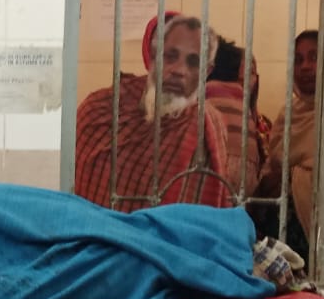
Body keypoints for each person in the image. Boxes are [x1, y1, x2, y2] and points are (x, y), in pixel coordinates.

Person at [74, 13, 233, 212]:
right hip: (94, 230)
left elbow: (201, 213)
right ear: (153, 56)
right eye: (170, 56)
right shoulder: (98, 110)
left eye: (193, 62)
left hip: (167, 233)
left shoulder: (207, 126)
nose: (179, 70)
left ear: (206, 71)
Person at [255, 30, 320, 257]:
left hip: (318, 230)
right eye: (298, 60)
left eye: (314, 57)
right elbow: (272, 168)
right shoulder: (289, 114)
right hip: (280, 236)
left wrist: (291, 176)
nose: (305, 67)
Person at [205, 37, 270, 198]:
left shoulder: (264, 124)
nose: (243, 78)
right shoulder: (203, 106)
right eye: (239, 73)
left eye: (250, 72)